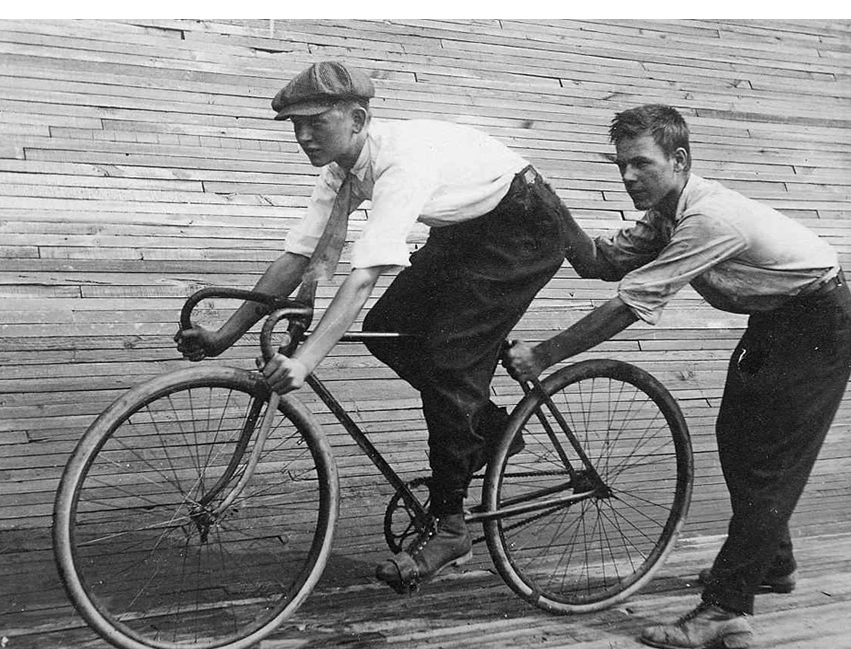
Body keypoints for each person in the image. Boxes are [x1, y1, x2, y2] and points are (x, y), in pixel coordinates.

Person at [175, 60, 589, 594]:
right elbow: (297, 255)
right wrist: (223, 336)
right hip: (466, 228)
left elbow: (365, 272)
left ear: (357, 118)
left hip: (523, 225)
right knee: (388, 327)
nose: (303, 137)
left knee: (450, 359)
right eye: (294, 125)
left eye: (316, 123)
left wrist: (305, 361)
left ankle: (451, 526)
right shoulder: (340, 170)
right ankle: (483, 426)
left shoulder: (400, 163)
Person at [503, 104, 851, 649]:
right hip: (778, 320)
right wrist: (546, 207)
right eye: (621, 165)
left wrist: (547, 353)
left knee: (769, 463)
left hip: (818, 323)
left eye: (641, 164)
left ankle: (726, 608)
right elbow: (600, 262)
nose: (628, 178)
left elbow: (632, 301)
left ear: (680, 160)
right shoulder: (666, 213)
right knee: (737, 439)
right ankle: (772, 562)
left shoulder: (708, 219)